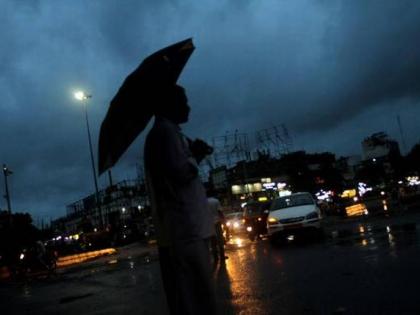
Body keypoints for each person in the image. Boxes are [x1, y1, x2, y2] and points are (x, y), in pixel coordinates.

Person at [144, 84, 216, 315]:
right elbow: (180, 172)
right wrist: (196, 155)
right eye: (183, 101)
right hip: (185, 231)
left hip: (184, 230)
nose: (188, 106)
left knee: (192, 296)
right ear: (169, 105)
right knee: (196, 297)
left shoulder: (169, 132)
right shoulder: (165, 133)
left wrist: (193, 153)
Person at [208, 190, 228, 266]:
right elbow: (220, 212)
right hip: (217, 223)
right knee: (220, 240)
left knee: (213, 241)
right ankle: (222, 256)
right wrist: (224, 221)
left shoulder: (203, 202)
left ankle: (215, 257)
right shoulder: (216, 201)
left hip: (209, 224)